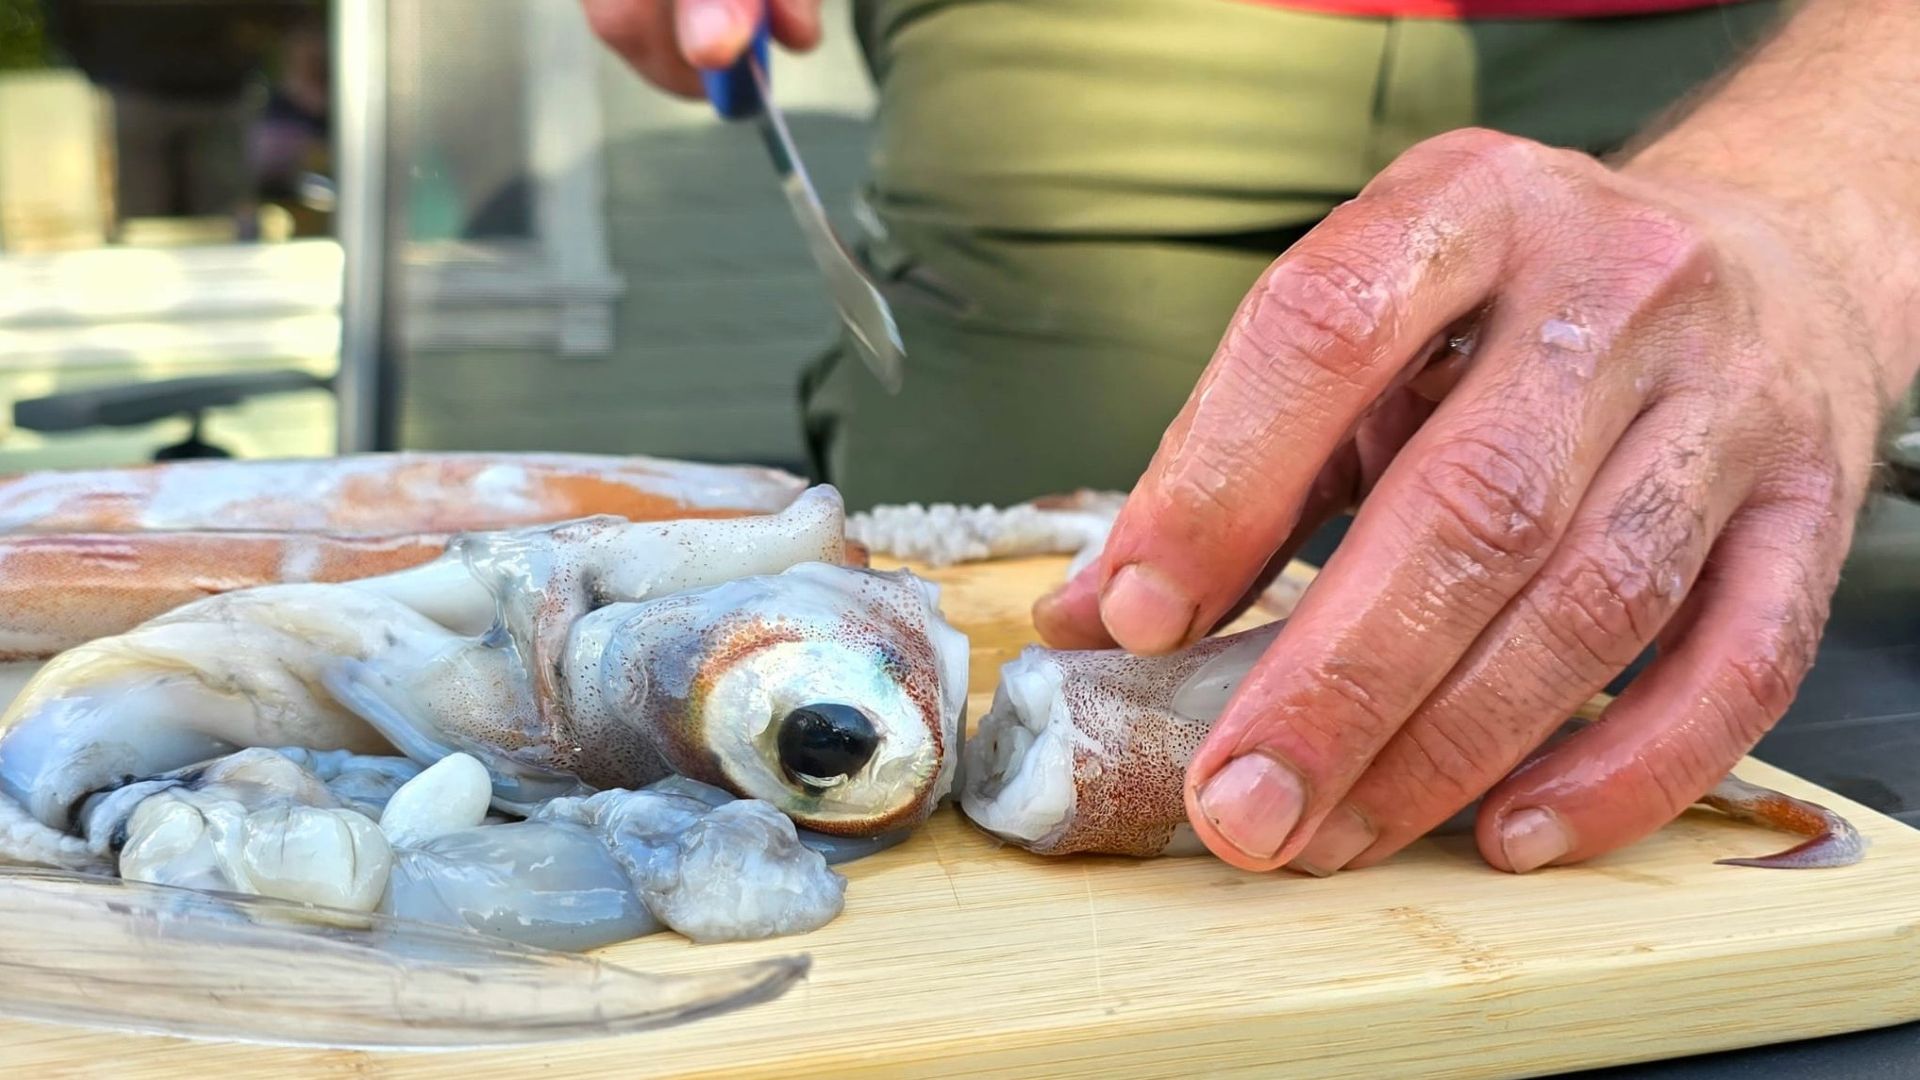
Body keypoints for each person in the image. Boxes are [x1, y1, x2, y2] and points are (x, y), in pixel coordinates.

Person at [584, 0, 1920, 880]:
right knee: (997, 614)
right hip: (1066, 64)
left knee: (1676, 628)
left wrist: (1815, 212)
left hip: (1750, 50)